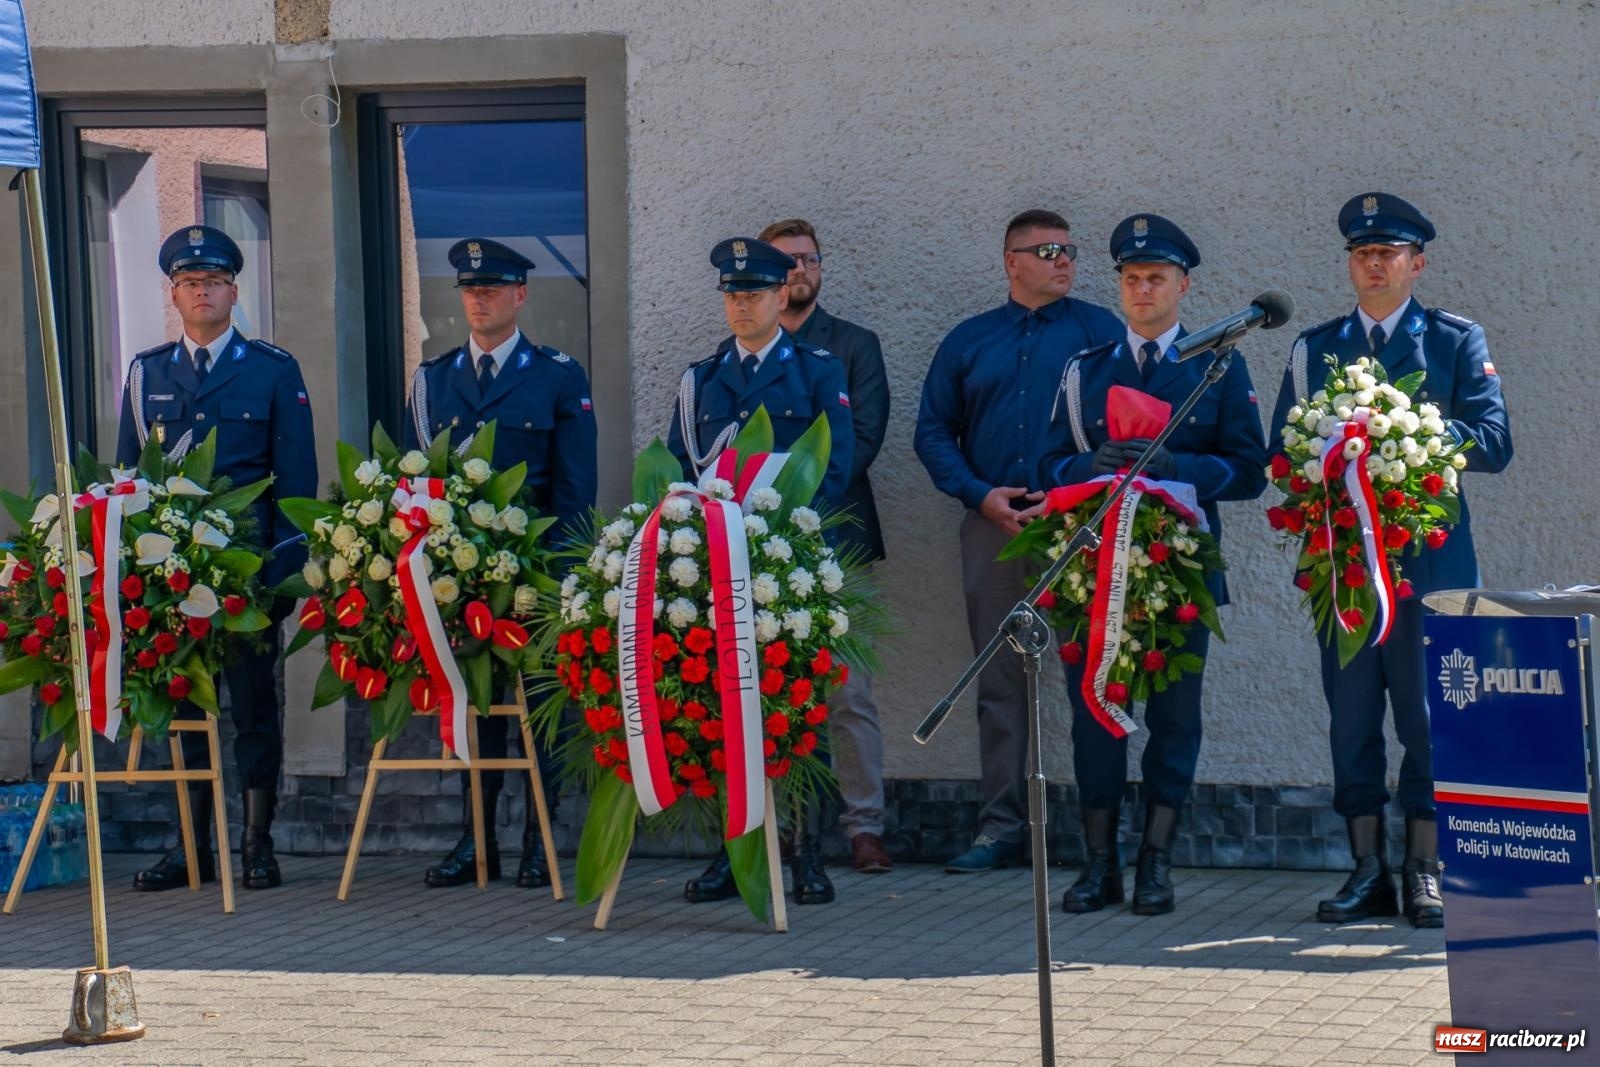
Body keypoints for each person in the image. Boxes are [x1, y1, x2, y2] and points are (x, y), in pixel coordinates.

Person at [1269, 193, 1512, 928]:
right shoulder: (1316, 348)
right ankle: (1366, 865)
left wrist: (1415, 443)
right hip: (1344, 566)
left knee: (1430, 718)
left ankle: (1424, 868)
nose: (1373, 263)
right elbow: (1283, 455)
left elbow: (1496, 440)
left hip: (1430, 566)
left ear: (1417, 263)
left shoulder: (1455, 340)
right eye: (1361, 253)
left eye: (1388, 252)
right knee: (1350, 718)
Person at [1038, 214, 1268, 914]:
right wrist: (1087, 464)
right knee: (1095, 715)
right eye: (1132, 278)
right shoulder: (1085, 370)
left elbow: (1252, 471)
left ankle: (1155, 861)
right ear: (1119, 286)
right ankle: (1099, 861)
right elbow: (1046, 466)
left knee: (1174, 719)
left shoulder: (1216, 364)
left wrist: (1179, 466)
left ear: (1183, 285)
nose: (1143, 289)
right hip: (1094, 570)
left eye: (1156, 278)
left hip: (1180, 570)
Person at [914, 208, 1122, 874]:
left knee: (1094, 675)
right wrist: (979, 494)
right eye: (1047, 250)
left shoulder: (1101, 332)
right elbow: (932, 432)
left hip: (1083, 525)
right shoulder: (969, 342)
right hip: (995, 526)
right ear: (1012, 262)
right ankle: (1001, 828)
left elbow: (1131, 418)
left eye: (1069, 250)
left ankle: (1101, 837)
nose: (1063, 261)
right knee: (1000, 681)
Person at [117, 224, 318, 891]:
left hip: (246, 579)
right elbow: (130, 478)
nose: (202, 292)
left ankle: (257, 843)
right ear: (173, 295)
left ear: (235, 290)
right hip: (169, 580)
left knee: (254, 710)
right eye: (189, 283)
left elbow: (296, 481)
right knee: (181, 710)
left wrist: (283, 576)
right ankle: (190, 846)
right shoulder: (148, 372)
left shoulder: (271, 369)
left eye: (213, 282)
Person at [403, 237, 598, 889]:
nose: (479, 298)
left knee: (541, 713)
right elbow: (416, 486)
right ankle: (476, 839)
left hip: (534, 576)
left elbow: (574, 491)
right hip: (461, 581)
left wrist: (566, 577)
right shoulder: (433, 380)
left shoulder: (557, 376)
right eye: (469, 289)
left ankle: (539, 841)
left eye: (493, 288)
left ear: (521, 295)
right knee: (473, 707)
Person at [669, 236, 854, 905]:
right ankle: (733, 849)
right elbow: (677, 473)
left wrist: (782, 534)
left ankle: (809, 853)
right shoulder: (701, 380)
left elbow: (835, 468)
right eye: (731, 294)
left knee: (796, 706)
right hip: (717, 568)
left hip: (788, 566)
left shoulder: (818, 371)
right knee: (722, 708)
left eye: (753, 293)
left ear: (783, 296)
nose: (740, 305)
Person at [753, 218, 893, 874]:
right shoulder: (746, 348)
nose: (798, 271)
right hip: (756, 549)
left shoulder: (854, 347)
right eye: (785, 262)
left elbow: (863, 438)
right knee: (772, 689)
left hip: (837, 537)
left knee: (847, 690)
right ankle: (777, 826)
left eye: (808, 259)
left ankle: (864, 825)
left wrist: (801, 499)